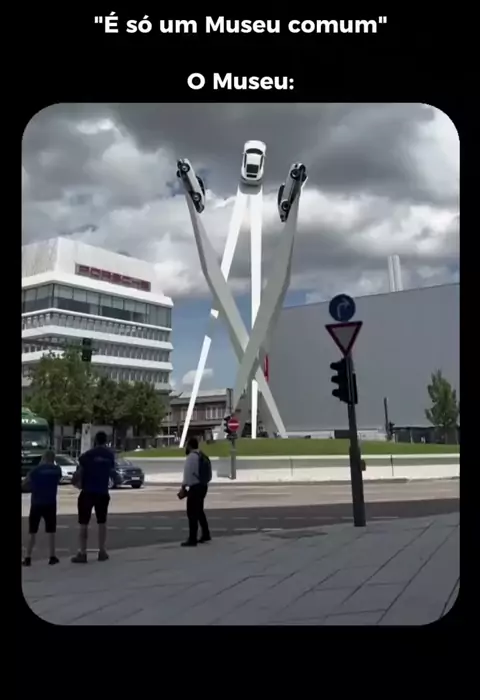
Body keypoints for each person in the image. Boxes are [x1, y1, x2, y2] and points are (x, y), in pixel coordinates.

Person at [71, 431, 116, 563]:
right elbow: (111, 470)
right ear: (106, 441)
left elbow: (80, 468)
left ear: (95, 440)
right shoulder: (109, 455)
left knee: (83, 523)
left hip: (88, 491)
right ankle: (102, 551)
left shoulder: (88, 455)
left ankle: (83, 552)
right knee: (102, 522)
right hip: (102, 492)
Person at [22, 449, 62, 566]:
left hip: (36, 503)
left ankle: (28, 557)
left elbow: (25, 483)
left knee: (32, 531)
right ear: (53, 459)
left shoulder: (36, 470)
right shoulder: (57, 470)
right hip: (50, 503)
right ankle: (52, 556)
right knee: (51, 531)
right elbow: (58, 480)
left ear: (43, 458)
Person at [178, 437, 211, 547]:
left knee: (192, 513)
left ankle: (192, 539)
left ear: (189, 445)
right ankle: (206, 534)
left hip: (195, 487)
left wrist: (183, 488)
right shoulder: (201, 455)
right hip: (203, 486)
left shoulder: (191, 457)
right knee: (199, 511)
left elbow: (187, 475)